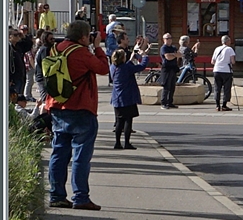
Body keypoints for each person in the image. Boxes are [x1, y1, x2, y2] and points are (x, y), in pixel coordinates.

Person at [46, 20, 110, 210]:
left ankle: (56, 195)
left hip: (58, 106)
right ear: (83, 37)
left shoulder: (56, 49)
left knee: (58, 153)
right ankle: (80, 197)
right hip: (81, 108)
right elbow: (103, 68)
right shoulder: (81, 52)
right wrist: (98, 48)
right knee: (81, 155)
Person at [108, 38, 150, 149]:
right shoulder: (126, 68)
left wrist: (131, 59)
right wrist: (144, 56)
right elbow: (141, 67)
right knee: (128, 120)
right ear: (122, 59)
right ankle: (126, 143)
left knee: (119, 121)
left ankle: (117, 143)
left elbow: (125, 66)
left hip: (117, 97)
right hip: (127, 97)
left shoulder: (113, 67)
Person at [9, 27, 34, 109]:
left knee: (19, 97)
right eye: (15, 35)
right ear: (9, 37)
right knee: (12, 99)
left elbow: (29, 45)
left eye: (18, 35)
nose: (17, 37)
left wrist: (23, 36)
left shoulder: (18, 47)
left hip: (20, 76)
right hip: (12, 78)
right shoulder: (7, 48)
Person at [211, 35, 236, 111]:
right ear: (227, 41)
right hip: (226, 71)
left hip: (217, 70)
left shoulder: (217, 49)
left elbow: (212, 61)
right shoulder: (229, 49)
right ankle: (224, 105)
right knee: (226, 88)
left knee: (217, 88)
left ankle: (217, 105)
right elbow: (233, 61)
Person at [158, 33, 181, 108]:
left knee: (172, 86)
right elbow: (167, 57)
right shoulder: (163, 48)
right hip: (166, 68)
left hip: (173, 68)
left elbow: (179, 54)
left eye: (170, 38)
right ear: (163, 39)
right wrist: (174, 55)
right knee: (166, 86)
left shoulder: (173, 47)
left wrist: (173, 55)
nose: (169, 40)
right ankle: (163, 103)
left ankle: (170, 102)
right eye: (167, 38)